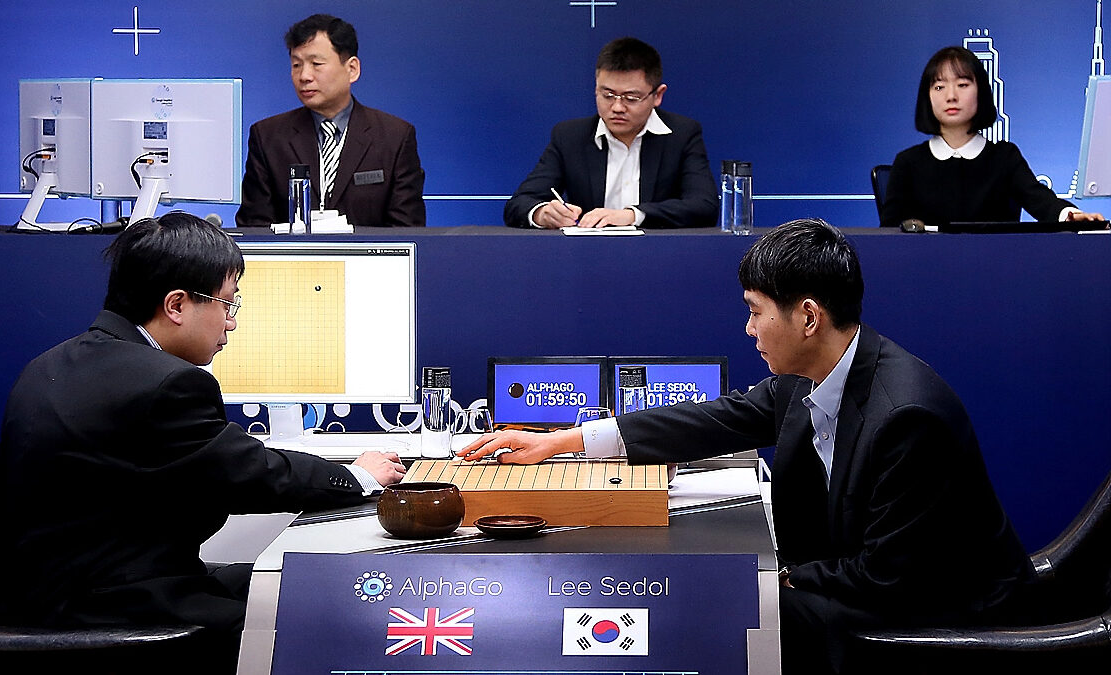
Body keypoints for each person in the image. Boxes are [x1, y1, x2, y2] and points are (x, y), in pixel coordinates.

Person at [460, 219, 1033, 674]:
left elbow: (888, 578)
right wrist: (563, 441)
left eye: (756, 312)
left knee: (735, 608)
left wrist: (776, 579)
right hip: (869, 581)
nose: (748, 329)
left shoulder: (906, 417)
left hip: (943, 615)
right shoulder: (809, 376)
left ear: (808, 317)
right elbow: (713, 421)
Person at [0, 213, 406, 672]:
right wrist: (357, 476)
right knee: (311, 617)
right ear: (176, 305)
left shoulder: (52, 363)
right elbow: (249, 475)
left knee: (287, 583)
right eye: (227, 303)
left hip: (27, 592)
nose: (231, 323)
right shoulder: (164, 383)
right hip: (96, 608)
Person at [503, 37, 717, 229]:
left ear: (658, 95)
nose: (617, 107)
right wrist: (542, 213)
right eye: (607, 95)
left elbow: (704, 206)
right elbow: (519, 203)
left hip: (659, 254)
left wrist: (633, 215)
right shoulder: (569, 136)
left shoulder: (682, 135)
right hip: (587, 254)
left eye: (631, 98)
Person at [880, 46, 1103, 228]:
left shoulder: (1004, 157)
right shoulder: (908, 163)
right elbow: (888, 234)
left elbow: (1041, 201)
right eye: (939, 87)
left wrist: (1070, 215)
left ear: (982, 92)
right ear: (926, 97)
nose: (951, 96)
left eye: (962, 85)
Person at [236, 14, 426, 228]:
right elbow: (255, 227)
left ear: (352, 69)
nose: (304, 76)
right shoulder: (268, 136)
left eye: (316, 64)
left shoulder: (395, 137)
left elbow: (406, 230)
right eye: (296, 65)